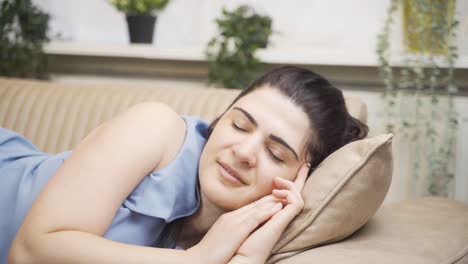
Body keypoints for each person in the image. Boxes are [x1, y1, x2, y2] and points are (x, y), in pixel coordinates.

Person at [1, 66, 368, 264]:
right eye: (239, 124)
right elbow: (30, 252)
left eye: (276, 154)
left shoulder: (240, 233)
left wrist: (252, 251)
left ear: (299, 179)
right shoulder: (156, 126)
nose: (244, 151)